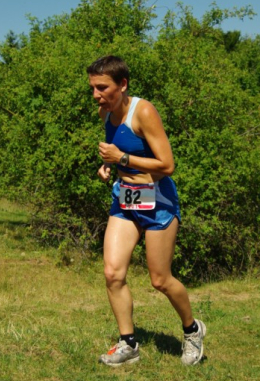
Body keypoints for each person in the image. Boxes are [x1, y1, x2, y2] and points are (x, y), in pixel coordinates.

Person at [87, 55, 206, 367]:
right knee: (112, 273)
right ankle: (128, 344)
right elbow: (117, 150)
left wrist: (121, 159)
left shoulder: (143, 112)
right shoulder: (105, 111)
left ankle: (192, 330)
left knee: (160, 279)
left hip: (158, 201)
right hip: (125, 200)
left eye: (103, 88)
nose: (96, 95)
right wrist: (108, 165)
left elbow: (167, 165)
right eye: (93, 88)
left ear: (123, 84)